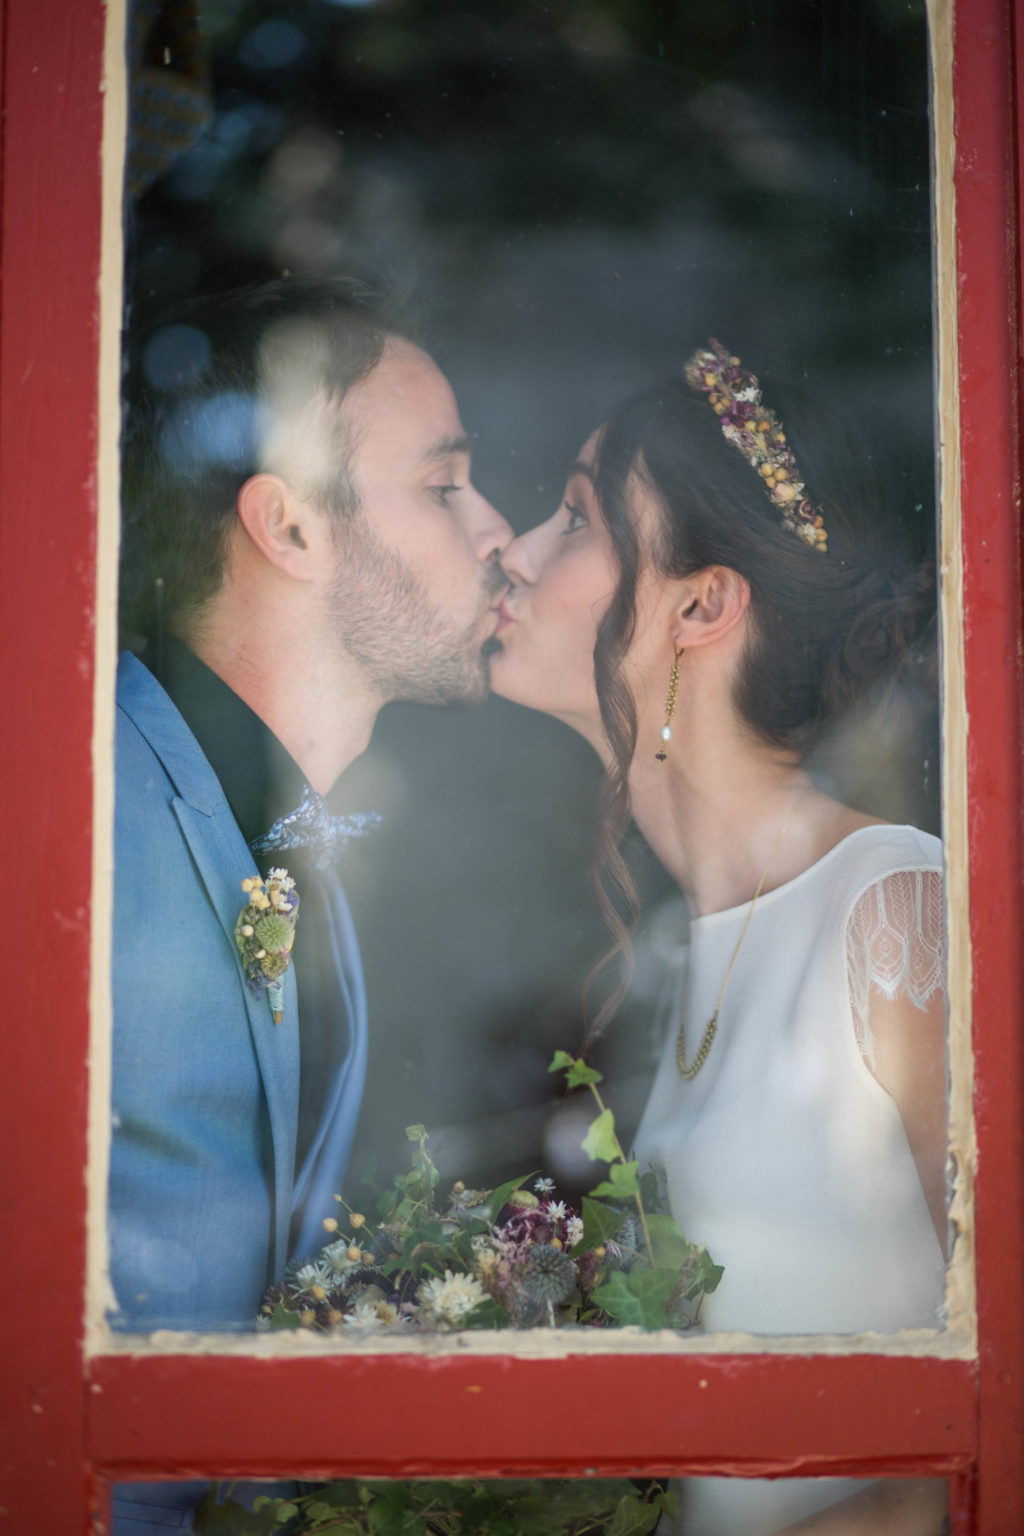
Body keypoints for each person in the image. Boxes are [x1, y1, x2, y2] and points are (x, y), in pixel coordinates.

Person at [491, 340, 947, 1535]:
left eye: (575, 520)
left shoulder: (891, 907)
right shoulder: (665, 956)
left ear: (700, 605)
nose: (515, 552)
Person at [111, 277, 510, 1530]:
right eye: (445, 485)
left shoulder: (308, 851)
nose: (496, 531)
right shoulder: (70, 795)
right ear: (289, 528)